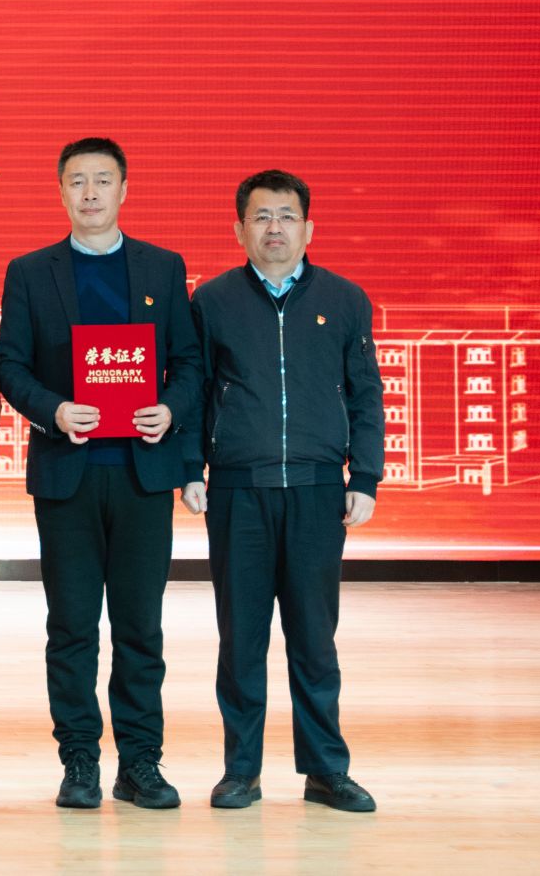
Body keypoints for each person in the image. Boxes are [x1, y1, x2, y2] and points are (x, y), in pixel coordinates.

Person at [0, 138, 204, 810]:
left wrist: (170, 409)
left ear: (123, 190)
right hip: (69, 474)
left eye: (103, 180)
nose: (90, 192)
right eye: (78, 181)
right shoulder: (31, 272)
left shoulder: (163, 267)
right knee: (72, 627)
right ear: (60, 191)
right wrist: (54, 409)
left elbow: (189, 361)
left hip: (143, 475)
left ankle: (140, 762)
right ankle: (79, 759)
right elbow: (10, 365)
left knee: (140, 628)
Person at [191, 170, 383, 814]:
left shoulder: (345, 299)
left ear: (308, 227)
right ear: (239, 228)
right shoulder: (212, 301)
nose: (274, 228)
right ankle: (240, 771)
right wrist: (191, 469)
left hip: (317, 490)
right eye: (261, 216)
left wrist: (366, 477)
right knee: (240, 640)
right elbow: (193, 394)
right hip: (238, 492)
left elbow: (366, 394)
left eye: (286, 216)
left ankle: (326, 770)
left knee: (314, 639)